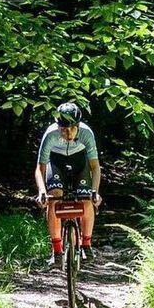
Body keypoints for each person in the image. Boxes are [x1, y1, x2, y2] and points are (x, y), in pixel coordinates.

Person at [34, 102, 102, 267]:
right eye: (63, 129)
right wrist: (42, 191)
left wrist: (95, 191)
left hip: (80, 162)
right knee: (54, 197)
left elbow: (95, 167)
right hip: (56, 162)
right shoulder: (50, 135)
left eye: (72, 128)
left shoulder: (86, 133)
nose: (68, 132)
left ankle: (86, 244)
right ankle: (56, 250)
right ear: (57, 126)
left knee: (86, 200)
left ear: (78, 125)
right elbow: (40, 168)